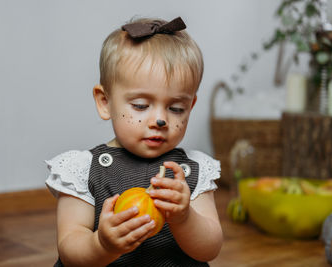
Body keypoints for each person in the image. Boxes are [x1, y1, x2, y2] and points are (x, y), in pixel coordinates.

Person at [45, 16, 223, 267]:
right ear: (104, 102)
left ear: (191, 106)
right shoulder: (84, 170)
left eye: (176, 108)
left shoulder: (192, 171)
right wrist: (102, 245)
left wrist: (184, 218)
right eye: (141, 105)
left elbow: (209, 249)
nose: (160, 120)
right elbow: (70, 250)